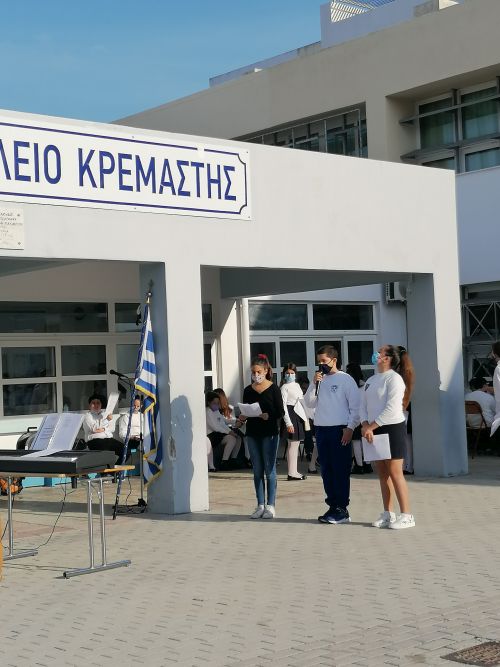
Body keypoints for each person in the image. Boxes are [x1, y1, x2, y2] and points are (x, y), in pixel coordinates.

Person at [360, 345, 415, 530]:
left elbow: (392, 408)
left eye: (380, 351)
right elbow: (362, 405)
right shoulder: (371, 380)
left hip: (391, 428)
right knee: (382, 473)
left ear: (388, 358)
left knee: (395, 472)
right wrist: (365, 425)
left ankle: (407, 515)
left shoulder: (394, 379)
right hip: (372, 430)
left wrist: (371, 426)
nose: (376, 353)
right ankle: (388, 513)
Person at [304, 345, 360, 525]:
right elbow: (309, 403)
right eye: (319, 361)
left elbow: (356, 407)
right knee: (326, 470)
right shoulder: (319, 380)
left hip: (339, 429)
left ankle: (342, 508)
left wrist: (350, 428)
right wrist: (313, 383)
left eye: (324, 361)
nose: (321, 364)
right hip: (322, 429)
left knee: (340, 470)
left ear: (334, 360)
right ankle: (333, 505)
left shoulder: (346, 379)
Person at [239, 354, 284, 519]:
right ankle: (260, 505)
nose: (256, 375)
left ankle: (271, 506)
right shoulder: (248, 390)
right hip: (252, 433)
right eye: (253, 372)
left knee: (269, 469)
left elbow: (280, 411)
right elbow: (246, 408)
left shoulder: (274, 389)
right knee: (257, 470)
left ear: (266, 371)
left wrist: (268, 415)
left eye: (259, 371)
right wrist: (242, 417)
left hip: (269, 433)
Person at [280, 363, 309, 480]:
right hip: (290, 414)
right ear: (284, 374)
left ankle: (294, 471)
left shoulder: (297, 385)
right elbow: (283, 406)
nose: (290, 375)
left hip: (298, 414)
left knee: (296, 444)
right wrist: (288, 423)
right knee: (292, 444)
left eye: (292, 373)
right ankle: (291, 472)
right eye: (287, 373)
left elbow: (302, 400)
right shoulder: (284, 387)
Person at [345, 362, 372, 475]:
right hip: (366, 416)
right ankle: (368, 465)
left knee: (356, 442)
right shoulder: (365, 385)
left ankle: (359, 466)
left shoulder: (350, 385)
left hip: (355, 416)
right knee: (365, 441)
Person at [82, 394, 125, 461]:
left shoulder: (104, 414)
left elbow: (111, 428)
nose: (96, 405)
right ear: (89, 405)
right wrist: (106, 421)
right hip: (95, 441)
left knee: (126, 451)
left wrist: (103, 428)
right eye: (93, 403)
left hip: (108, 439)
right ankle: (107, 467)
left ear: (101, 405)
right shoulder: (87, 416)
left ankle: (115, 467)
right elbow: (95, 429)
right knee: (106, 454)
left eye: (98, 403)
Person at [205, 391, 240, 470]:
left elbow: (223, 421)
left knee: (238, 438)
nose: (216, 405)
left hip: (219, 434)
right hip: (212, 435)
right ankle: (224, 462)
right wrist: (229, 432)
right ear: (208, 403)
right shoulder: (208, 412)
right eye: (214, 403)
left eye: (218, 403)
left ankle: (233, 460)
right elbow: (215, 427)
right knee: (232, 439)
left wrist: (236, 421)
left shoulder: (216, 411)